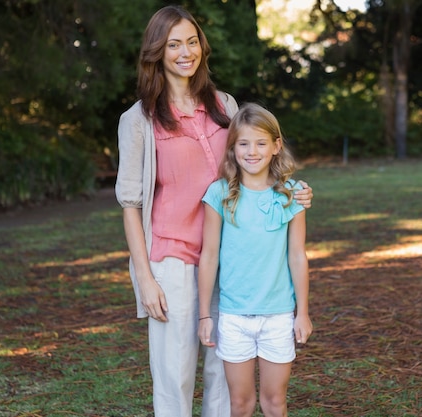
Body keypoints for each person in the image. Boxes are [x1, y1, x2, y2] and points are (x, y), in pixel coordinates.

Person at [114, 5, 313, 417]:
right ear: (156, 52)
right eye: (173, 44)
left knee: (225, 373)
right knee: (176, 374)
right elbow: (130, 204)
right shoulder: (139, 120)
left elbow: (252, 165)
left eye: (191, 42)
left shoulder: (224, 104)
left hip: (231, 258)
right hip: (172, 257)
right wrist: (145, 278)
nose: (185, 52)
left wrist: (292, 193)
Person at [198, 103, 313, 417]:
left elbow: (297, 256)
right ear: (232, 149)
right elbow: (208, 257)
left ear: (276, 147)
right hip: (234, 317)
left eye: (261, 143)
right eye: (243, 144)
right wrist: (205, 315)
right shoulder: (219, 195)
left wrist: (302, 313)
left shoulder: (291, 194)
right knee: (241, 404)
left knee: (275, 402)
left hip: (277, 316)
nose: (252, 151)